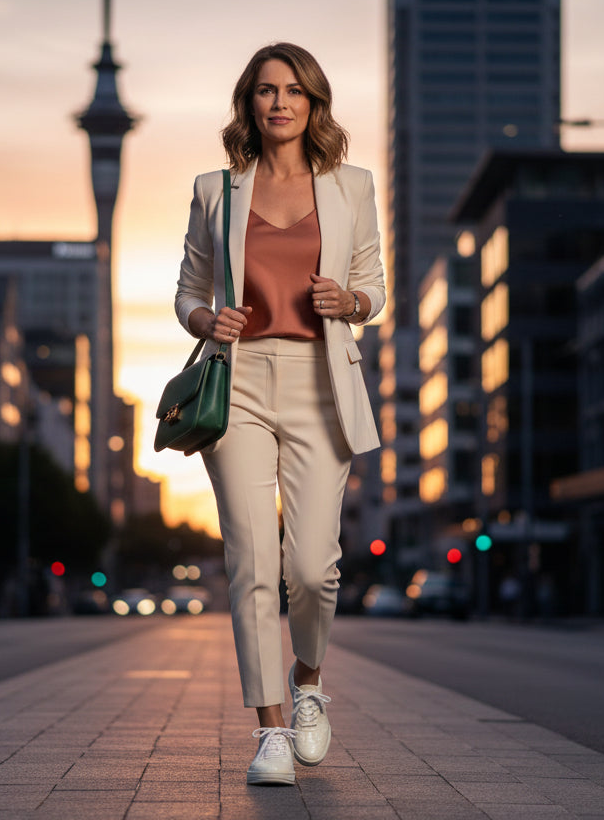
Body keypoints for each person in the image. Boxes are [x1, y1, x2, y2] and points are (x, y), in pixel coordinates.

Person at [174, 42, 385, 786]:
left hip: (320, 379)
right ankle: (269, 730)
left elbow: (374, 289)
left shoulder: (352, 186)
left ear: (314, 103)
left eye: (293, 90)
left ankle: (307, 680)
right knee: (253, 561)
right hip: (240, 382)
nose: (279, 103)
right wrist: (207, 322)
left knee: (313, 568)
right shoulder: (216, 190)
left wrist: (350, 302)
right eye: (265, 91)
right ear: (249, 105)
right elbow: (188, 292)